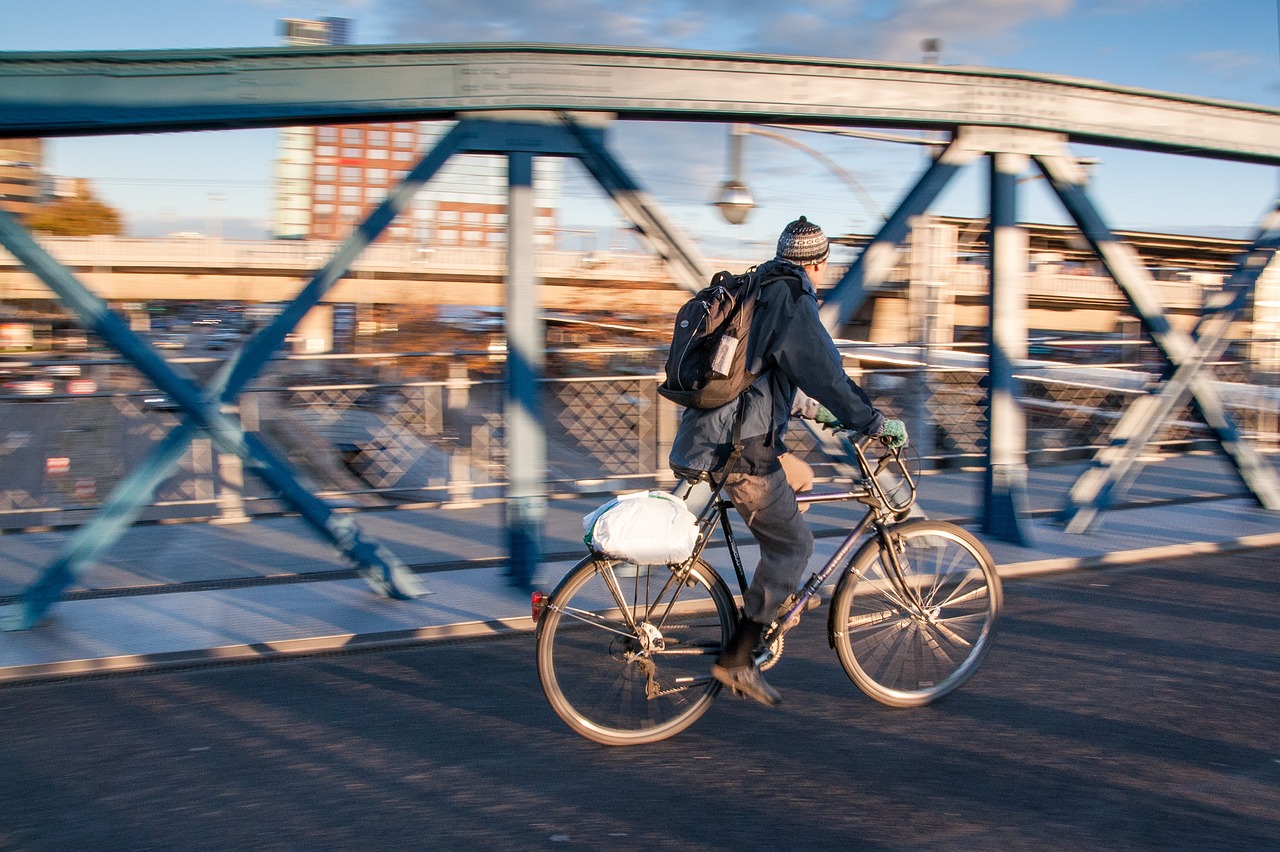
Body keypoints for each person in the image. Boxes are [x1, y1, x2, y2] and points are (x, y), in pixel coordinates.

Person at [669, 215, 907, 706]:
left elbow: (765, 378)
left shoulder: (760, 286)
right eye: (824, 265)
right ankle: (738, 658)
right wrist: (871, 420)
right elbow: (825, 373)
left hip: (712, 435)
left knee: (802, 475)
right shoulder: (793, 298)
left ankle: (778, 599)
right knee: (794, 546)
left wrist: (822, 413)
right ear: (819, 263)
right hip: (740, 449)